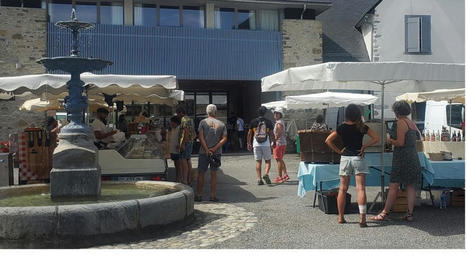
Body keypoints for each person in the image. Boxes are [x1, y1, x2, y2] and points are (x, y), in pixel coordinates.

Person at [325, 104, 379, 227]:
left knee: (342, 189)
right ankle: (362, 218)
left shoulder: (341, 127)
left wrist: (339, 151)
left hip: (345, 158)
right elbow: (376, 138)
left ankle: (340, 217)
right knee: (361, 188)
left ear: (346, 115)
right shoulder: (362, 127)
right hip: (358, 157)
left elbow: (328, 140)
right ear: (358, 115)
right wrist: (365, 146)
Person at [371, 101, 422, 222]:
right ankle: (410, 214)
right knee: (410, 185)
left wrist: (389, 140)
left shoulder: (400, 122)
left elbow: (400, 142)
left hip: (401, 157)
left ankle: (384, 213)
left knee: (394, 185)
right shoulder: (411, 123)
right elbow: (417, 138)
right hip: (413, 156)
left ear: (397, 111)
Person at [195, 104, 227, 202]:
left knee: (201, 173)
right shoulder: (221, 124)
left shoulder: (203, 122)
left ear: (207, 112)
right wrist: (214, 149)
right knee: (214, 174)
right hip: (216, 153)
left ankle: (199, 195)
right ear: (215, 112)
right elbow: (225, 138)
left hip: (203, 152)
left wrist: (206, 149)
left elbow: (200, 137)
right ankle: (212, 196)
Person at [247, 106, 276, 185]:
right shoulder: (268, 122)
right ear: (265, 113)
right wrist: (273, 142)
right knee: (267, 161)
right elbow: (271, 134)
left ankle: (259, 179)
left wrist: (248, 143)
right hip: (266, 143)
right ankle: (266, 174)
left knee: (258, 161)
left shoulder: (253, 121)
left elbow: (249, 133)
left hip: (256, 143)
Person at [177, 107, 196, 185]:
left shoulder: (184, 120)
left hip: (186, 142)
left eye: (178, 113)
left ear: (181, 113)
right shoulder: (190, 119)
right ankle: (189, 179)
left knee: (183, 160)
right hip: (190, 141)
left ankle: (185, 180)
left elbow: (186, 131)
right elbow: (194, 133)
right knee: (188, 160)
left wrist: (183, 143)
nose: (177, 115)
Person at [272, 108, 289, 183]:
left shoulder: (279, 123)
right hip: (282, 143)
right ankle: (285, 175)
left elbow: (278, 133)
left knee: (278, 159)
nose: (275, 114)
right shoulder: (280, 122)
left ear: (280, 115)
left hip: (278, 143)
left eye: (277, 113)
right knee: (280, 159)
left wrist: (274, 141)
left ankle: (280, 177)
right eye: (275, 113)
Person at [168, 116, 182, 183]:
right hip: (173, 149)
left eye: (172, 123)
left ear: (176, 123)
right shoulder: (173, 129)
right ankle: (177, 177)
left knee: (178, 165)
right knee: (176, 165)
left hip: (177, 150)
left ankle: (178, 178)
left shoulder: (179, 129)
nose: (171, 124)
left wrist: (179, 145)